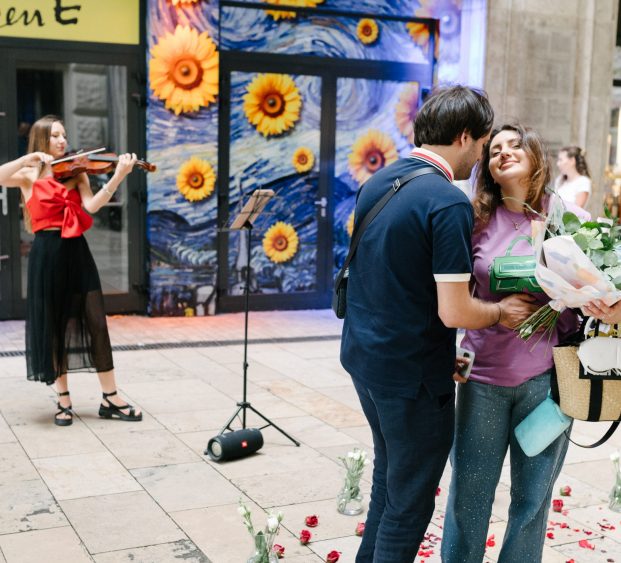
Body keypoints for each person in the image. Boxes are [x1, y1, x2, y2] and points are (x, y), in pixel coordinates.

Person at [339, 87, 537, 563]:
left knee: (390, 482)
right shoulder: (447, 202)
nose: (484, 154)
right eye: (485, 141)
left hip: (365, 360)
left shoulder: (380, 180)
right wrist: (501, 312)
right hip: (411, 378)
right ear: (465, 136)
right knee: (409, 504)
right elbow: (455, 311)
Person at [441, 124, 589, 563]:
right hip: (481, 379)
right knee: (469, 498)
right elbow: (450, 295)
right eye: (494, 150)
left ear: (535, 154)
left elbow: (589, 288)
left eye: (514, 144)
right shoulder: (473, 219)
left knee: (532, 500)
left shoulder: (561, 216)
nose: (503, 153)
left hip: (545, 386)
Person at [0, 115, 142, 426]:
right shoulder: (28, 174)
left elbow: (90, 207)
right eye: (55, 136)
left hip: (77, 251)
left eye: (64, 135)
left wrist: (118, 176)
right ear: (42, 140)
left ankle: (110, 398)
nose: (63, 141)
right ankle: (63, 401)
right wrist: (28, 158)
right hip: (47, 254)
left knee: (96, 322)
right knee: (54, 324)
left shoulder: (77, 171)